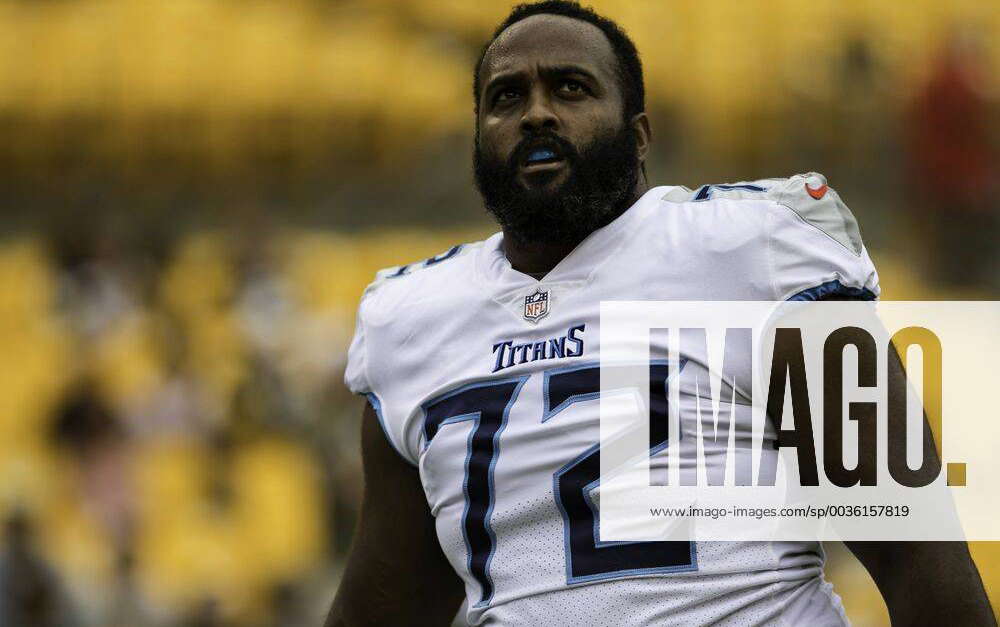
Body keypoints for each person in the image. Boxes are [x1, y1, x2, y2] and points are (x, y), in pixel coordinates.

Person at [326, 2, 995, 625]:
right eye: (507, 97)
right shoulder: (413, 319)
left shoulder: (756, 250)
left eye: (570, 88)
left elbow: (918, 559)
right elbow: (387, 603)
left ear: (639, 134)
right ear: (476, 142)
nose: (536, 114)